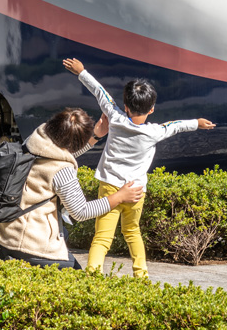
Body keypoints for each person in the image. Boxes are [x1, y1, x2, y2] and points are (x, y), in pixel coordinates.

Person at [63, 57, 215, 278]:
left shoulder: (115, 117)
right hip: (136, 192)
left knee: (102, 238)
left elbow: (100, 92)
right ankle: (141, 276)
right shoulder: (154, 132)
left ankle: (92, 277)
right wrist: (197, 123)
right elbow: (176, 126)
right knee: (133, 231)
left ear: (125, 106)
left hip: (110, 188)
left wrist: (81, 72)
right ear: (151, 109)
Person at [0, 107, 144, 269]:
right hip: (24, 242)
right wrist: (120, 196)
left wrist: (94, 136)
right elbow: (81, 211)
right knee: (78, 281)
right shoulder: (62, 171)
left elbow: (60, 153)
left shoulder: (34, 141)